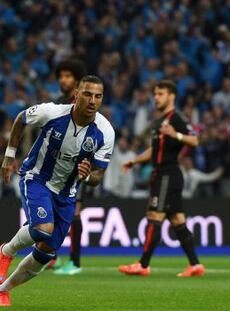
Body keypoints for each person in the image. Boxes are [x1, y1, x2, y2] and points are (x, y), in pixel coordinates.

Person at [0, 75, 115, 306]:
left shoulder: (105, 132)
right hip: (37, 177)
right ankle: (6, 251)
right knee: (42, 229)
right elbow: (21, 118)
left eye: (98, 96)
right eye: (87, 94)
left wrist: (87, 176)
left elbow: (98, 176)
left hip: (67, 193)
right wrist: (9, 157)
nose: (92, 100)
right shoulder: (52, 112)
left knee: (45, 253)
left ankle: (3, 289)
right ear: (76, 95)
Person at [118, 80, 205, 277]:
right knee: (177, 220)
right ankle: (195, 265)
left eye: (160, 94)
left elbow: (195, 139)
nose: (156, 98)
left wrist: (177, 135)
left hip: (168, 173)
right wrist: (135, 161)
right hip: (162, 174)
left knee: (154, 216)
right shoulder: (159, 122)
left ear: (171, 96)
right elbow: (154, 149)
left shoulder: (176, 118)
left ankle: (143, 264)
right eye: (155, 94)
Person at [53, 57, 88, 275]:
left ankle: (74, 262)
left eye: (68, 76)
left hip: (78, 165)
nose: (63, 80)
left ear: (76, 80)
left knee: (74, 213)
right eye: (61, 76)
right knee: (53, 214)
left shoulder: (83, 103)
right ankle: (52, 257)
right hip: (56, 167)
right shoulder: (57, 103)